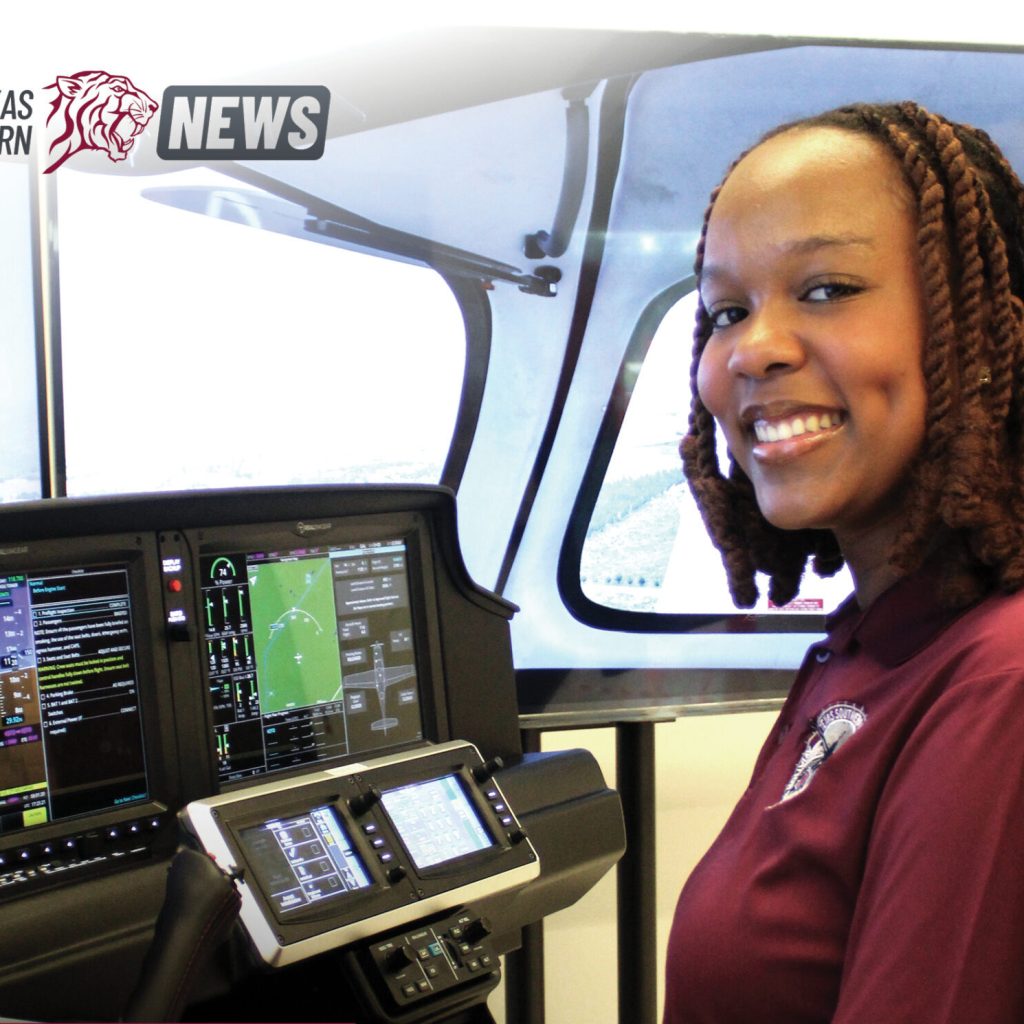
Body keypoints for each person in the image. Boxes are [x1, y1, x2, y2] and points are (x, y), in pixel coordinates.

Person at [663, 101, 1024, 1023]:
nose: (755, 348)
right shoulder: (876, 645)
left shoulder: (999, 684)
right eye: (726, 310)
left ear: (980, 323)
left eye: (826, 289)